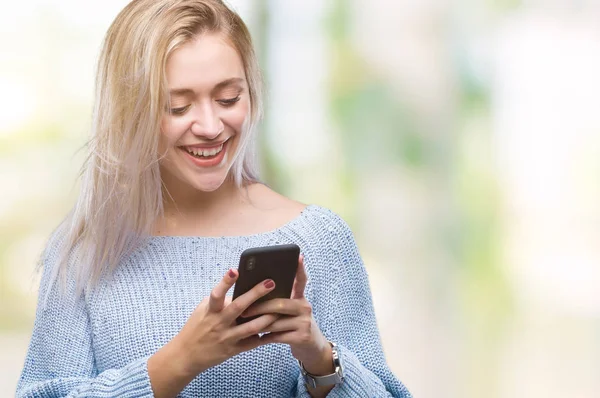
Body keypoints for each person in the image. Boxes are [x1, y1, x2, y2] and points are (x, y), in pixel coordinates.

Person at [15, 0, 412, 397]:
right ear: (128, 110)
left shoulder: (319, 238)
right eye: (178, 106)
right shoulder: (84, 253)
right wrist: (176, 363)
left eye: (228, 99)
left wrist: (321, 359)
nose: (209, 126)